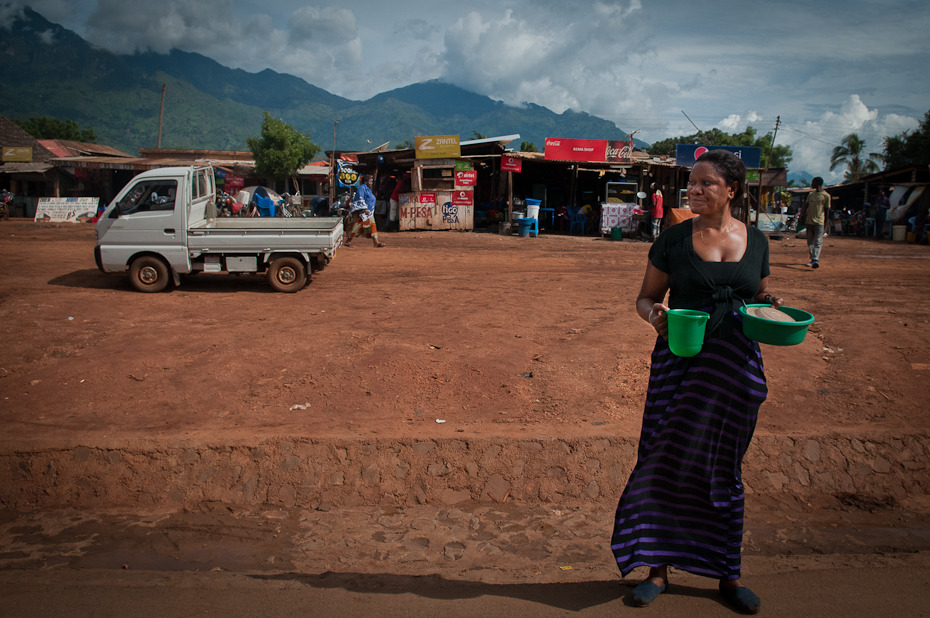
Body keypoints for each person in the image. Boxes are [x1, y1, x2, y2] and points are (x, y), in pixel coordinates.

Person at [610, 149, 783, 615]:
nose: (695, 189)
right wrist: (657, 317)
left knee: (723, 470)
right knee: (663, 460)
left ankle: (728, 574)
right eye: (692, 182)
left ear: (732, 190)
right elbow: (645, 299)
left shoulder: (759, 241)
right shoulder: (673, 239)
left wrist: (775, 306)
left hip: (735, 370)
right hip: (680, 365)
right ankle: (657, 570)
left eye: (707, 183)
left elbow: (761, 296)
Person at [344, 174, 385, 248]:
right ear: (365, 182)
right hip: (362, 212)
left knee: (373, 225)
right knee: (356, 226)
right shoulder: (362, 188)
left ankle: (376, 242)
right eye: (370, 181)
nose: (371, 183)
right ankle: (348, 241)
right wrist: (364, 208)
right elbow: (360, 198)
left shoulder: (368, 189)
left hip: (369, 212)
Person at [802, 177, 830, 268]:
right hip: (809, 222)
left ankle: (815, 259)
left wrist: (826, 225)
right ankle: (813, 258)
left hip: (819, 222)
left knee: (818, 242)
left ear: (818, 183)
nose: (811, 184)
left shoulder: (826, 196)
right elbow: (805, 206)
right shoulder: (810, 195)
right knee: (810, 242)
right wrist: (801, 216)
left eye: (813, 182)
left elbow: (827, 211)